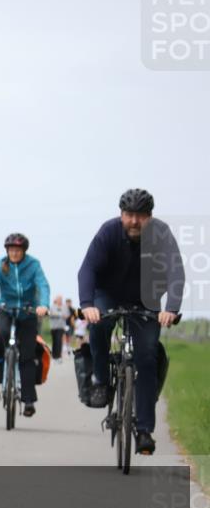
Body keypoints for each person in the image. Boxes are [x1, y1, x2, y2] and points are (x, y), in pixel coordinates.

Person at [78, 189, 184, 455]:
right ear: (121, 214)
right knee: (99, 326)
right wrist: (87, 305)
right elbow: (88, 269)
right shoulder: (108, 232)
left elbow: (175, 271)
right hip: (108, 295)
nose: (134, 221)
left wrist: (171, 308)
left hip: (147, 301)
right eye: (129, 215)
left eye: (140, 216)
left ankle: (145, 429)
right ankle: (101, 381)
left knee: (147, 356)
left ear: (150, 217)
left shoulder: (161, 234)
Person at [0, 233, 50, 417]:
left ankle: (28, 401)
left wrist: (43, 305)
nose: (14, 253)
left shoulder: (33, 265)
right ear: (7, 251)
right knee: (1, 334)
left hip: (28, 313)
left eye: (18, 250)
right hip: (6, 309)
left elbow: (43, 285)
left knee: (27, 356)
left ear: (24, 251)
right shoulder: (1, 265)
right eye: (11, 250)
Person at [48, 295, 66, 361]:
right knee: (55, 341)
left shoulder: (64, 307)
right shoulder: (52, 307)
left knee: (59, 341)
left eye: (61, 299)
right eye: (59, 299)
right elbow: (51, 314)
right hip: (53, 327)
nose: (60, 300)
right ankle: (54, 355)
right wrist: (60, 315)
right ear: (56, 300)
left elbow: (66, 315)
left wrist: (63, 315)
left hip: (61, 327)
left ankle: (58, 356)